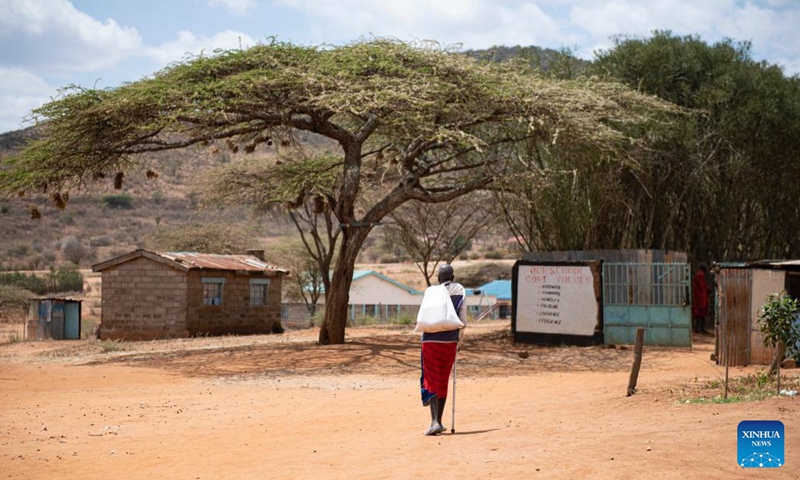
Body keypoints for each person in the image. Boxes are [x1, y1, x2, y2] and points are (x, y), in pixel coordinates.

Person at [419, 263, 467, 436]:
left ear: (438, 278)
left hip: (429, 341)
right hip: (449, 342)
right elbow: (463, 320)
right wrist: (458, 342)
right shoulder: (459, 290)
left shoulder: (431, 291)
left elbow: (424, 317)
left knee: (431, 378)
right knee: (443, 379)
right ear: (452, 278)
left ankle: (435, 422)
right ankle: (438, 420)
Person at [692, 264, 710, 334]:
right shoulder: (700, 275)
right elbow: (702, 285)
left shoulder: (699, 274)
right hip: (701, 298)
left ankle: (699, 328)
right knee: (700, 314)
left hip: (700, 298)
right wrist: (708, 289)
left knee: (700, 314)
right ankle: (699, 328)